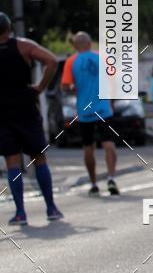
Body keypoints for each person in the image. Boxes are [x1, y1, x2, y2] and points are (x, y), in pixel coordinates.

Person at [0, 13, 63, 224]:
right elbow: (51, 61)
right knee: (39, 158)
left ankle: (20, 213)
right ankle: (51, 208)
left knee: (12, 163)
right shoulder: (23, 46)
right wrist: (40, 87)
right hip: (26, 107)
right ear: (9, 28)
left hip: (3, 112)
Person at [61, 32, 119, 196]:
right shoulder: (102, 58)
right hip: (103, 109)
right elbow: (114, 81)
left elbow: (65, 86)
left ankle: (93, 183)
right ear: (89, 43)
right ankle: (111, 178)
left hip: (84, 112)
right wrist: (112, 102)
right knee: (109, 144)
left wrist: (74, 87)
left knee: (88, 147)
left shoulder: (71, 62)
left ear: (75, 46)